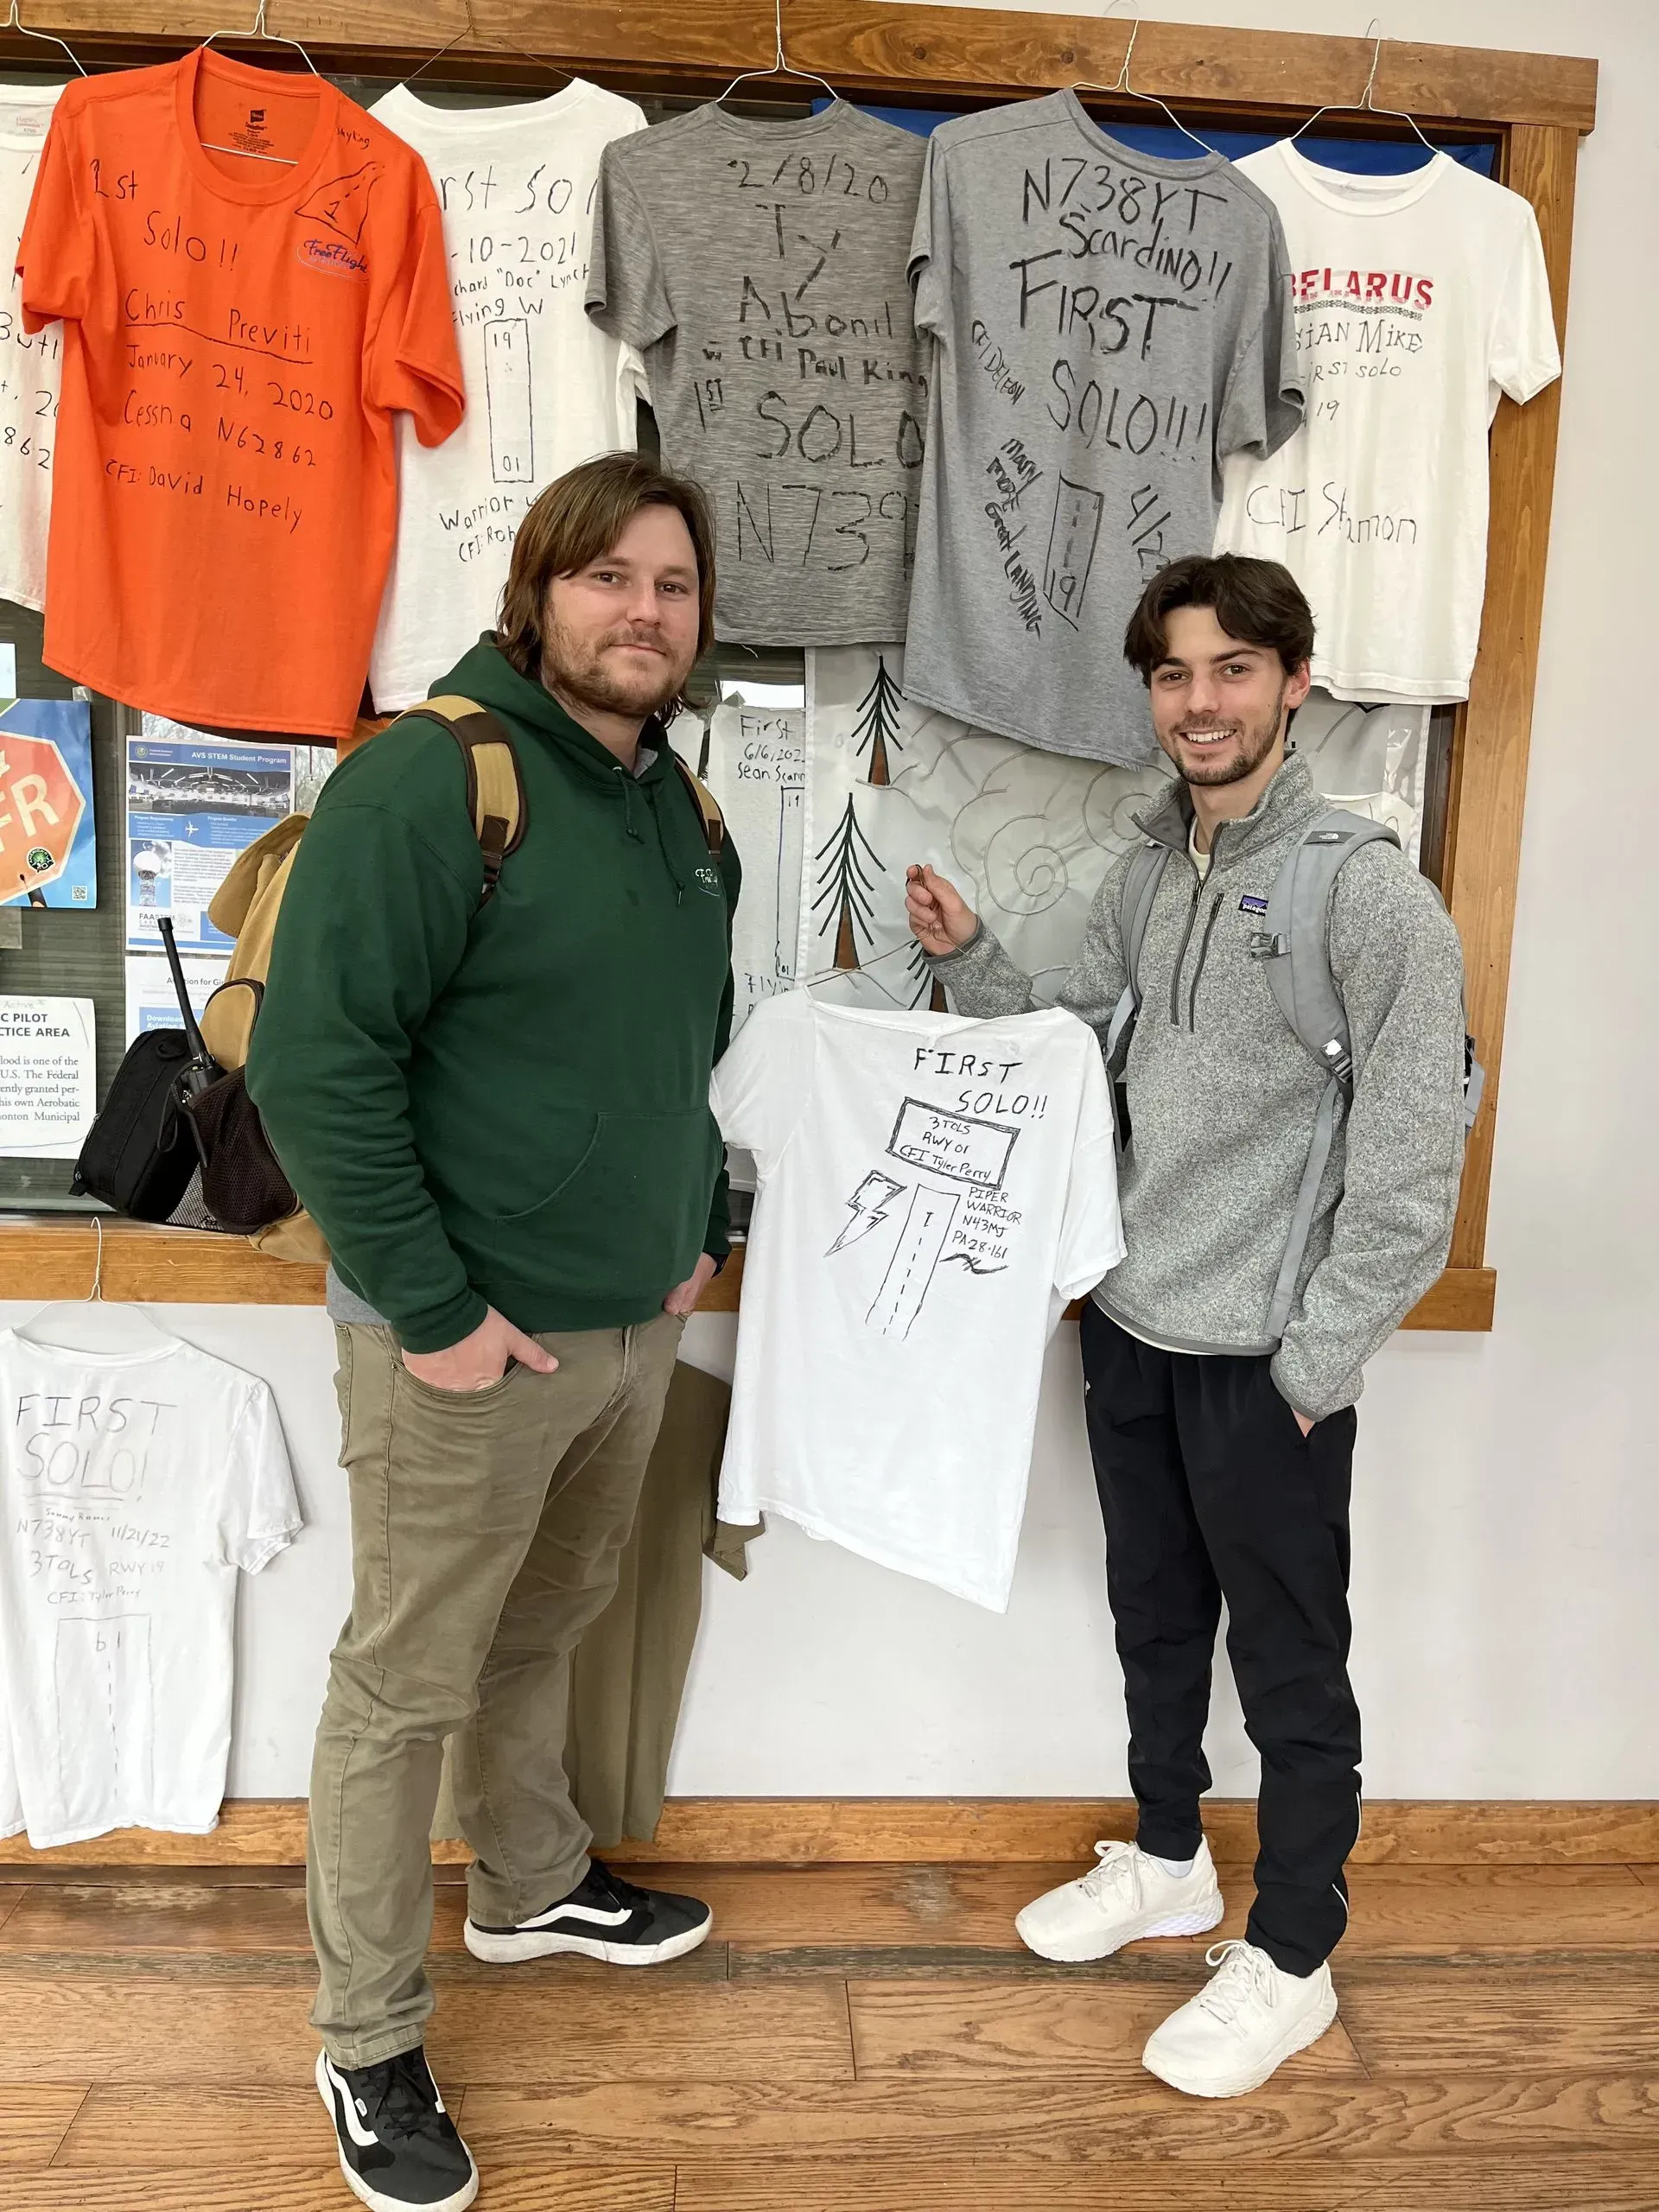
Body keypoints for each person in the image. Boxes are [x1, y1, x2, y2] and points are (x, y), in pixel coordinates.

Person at [906, 553, 1468, 2101]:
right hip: (1133, 1327)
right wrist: (966, 957)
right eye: (1173, 673)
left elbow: (1417, 1161)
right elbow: (1069, 1042)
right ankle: (1168, 1858)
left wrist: (1317, 1360)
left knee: (1292, 1667)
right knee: (1154, 1623)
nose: (1200, 702)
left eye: (1233, 670)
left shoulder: (1368, 897)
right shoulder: (1148, 874)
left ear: (1295, 684)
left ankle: (1292, 1952)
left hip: (1265, 1365)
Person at [248, 453, 740, 2212]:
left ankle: (530, 1885)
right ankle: (365, 2029)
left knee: (546, 1625)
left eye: (673, 585)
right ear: (539, 593)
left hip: (623, 1332)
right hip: (463, 1343)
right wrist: (440, 1310)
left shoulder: (682, 810)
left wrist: (694, 1233)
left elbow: (671, 1057)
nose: (643, 611)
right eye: (607, 577)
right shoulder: (429, 780)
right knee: (402, 1685)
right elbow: (318, 1066)